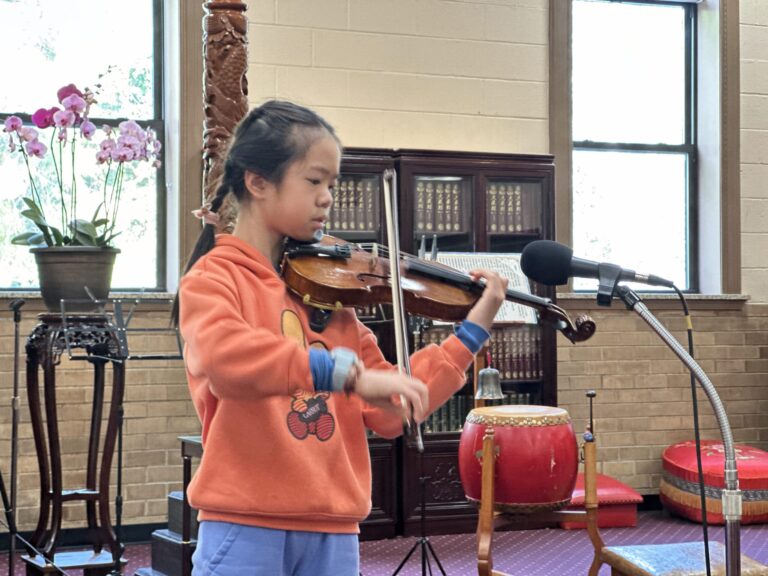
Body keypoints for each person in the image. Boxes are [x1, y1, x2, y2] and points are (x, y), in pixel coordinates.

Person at [174, 100, 508, 576]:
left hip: (334, 528)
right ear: (258, 182)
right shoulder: (214, 279)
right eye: (314, 181)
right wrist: (341, 373)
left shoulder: (329, 297)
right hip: (245, 523)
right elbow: (225, 359)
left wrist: (470, 333)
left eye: (332, 184)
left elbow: (394, 409)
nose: (327, 197)